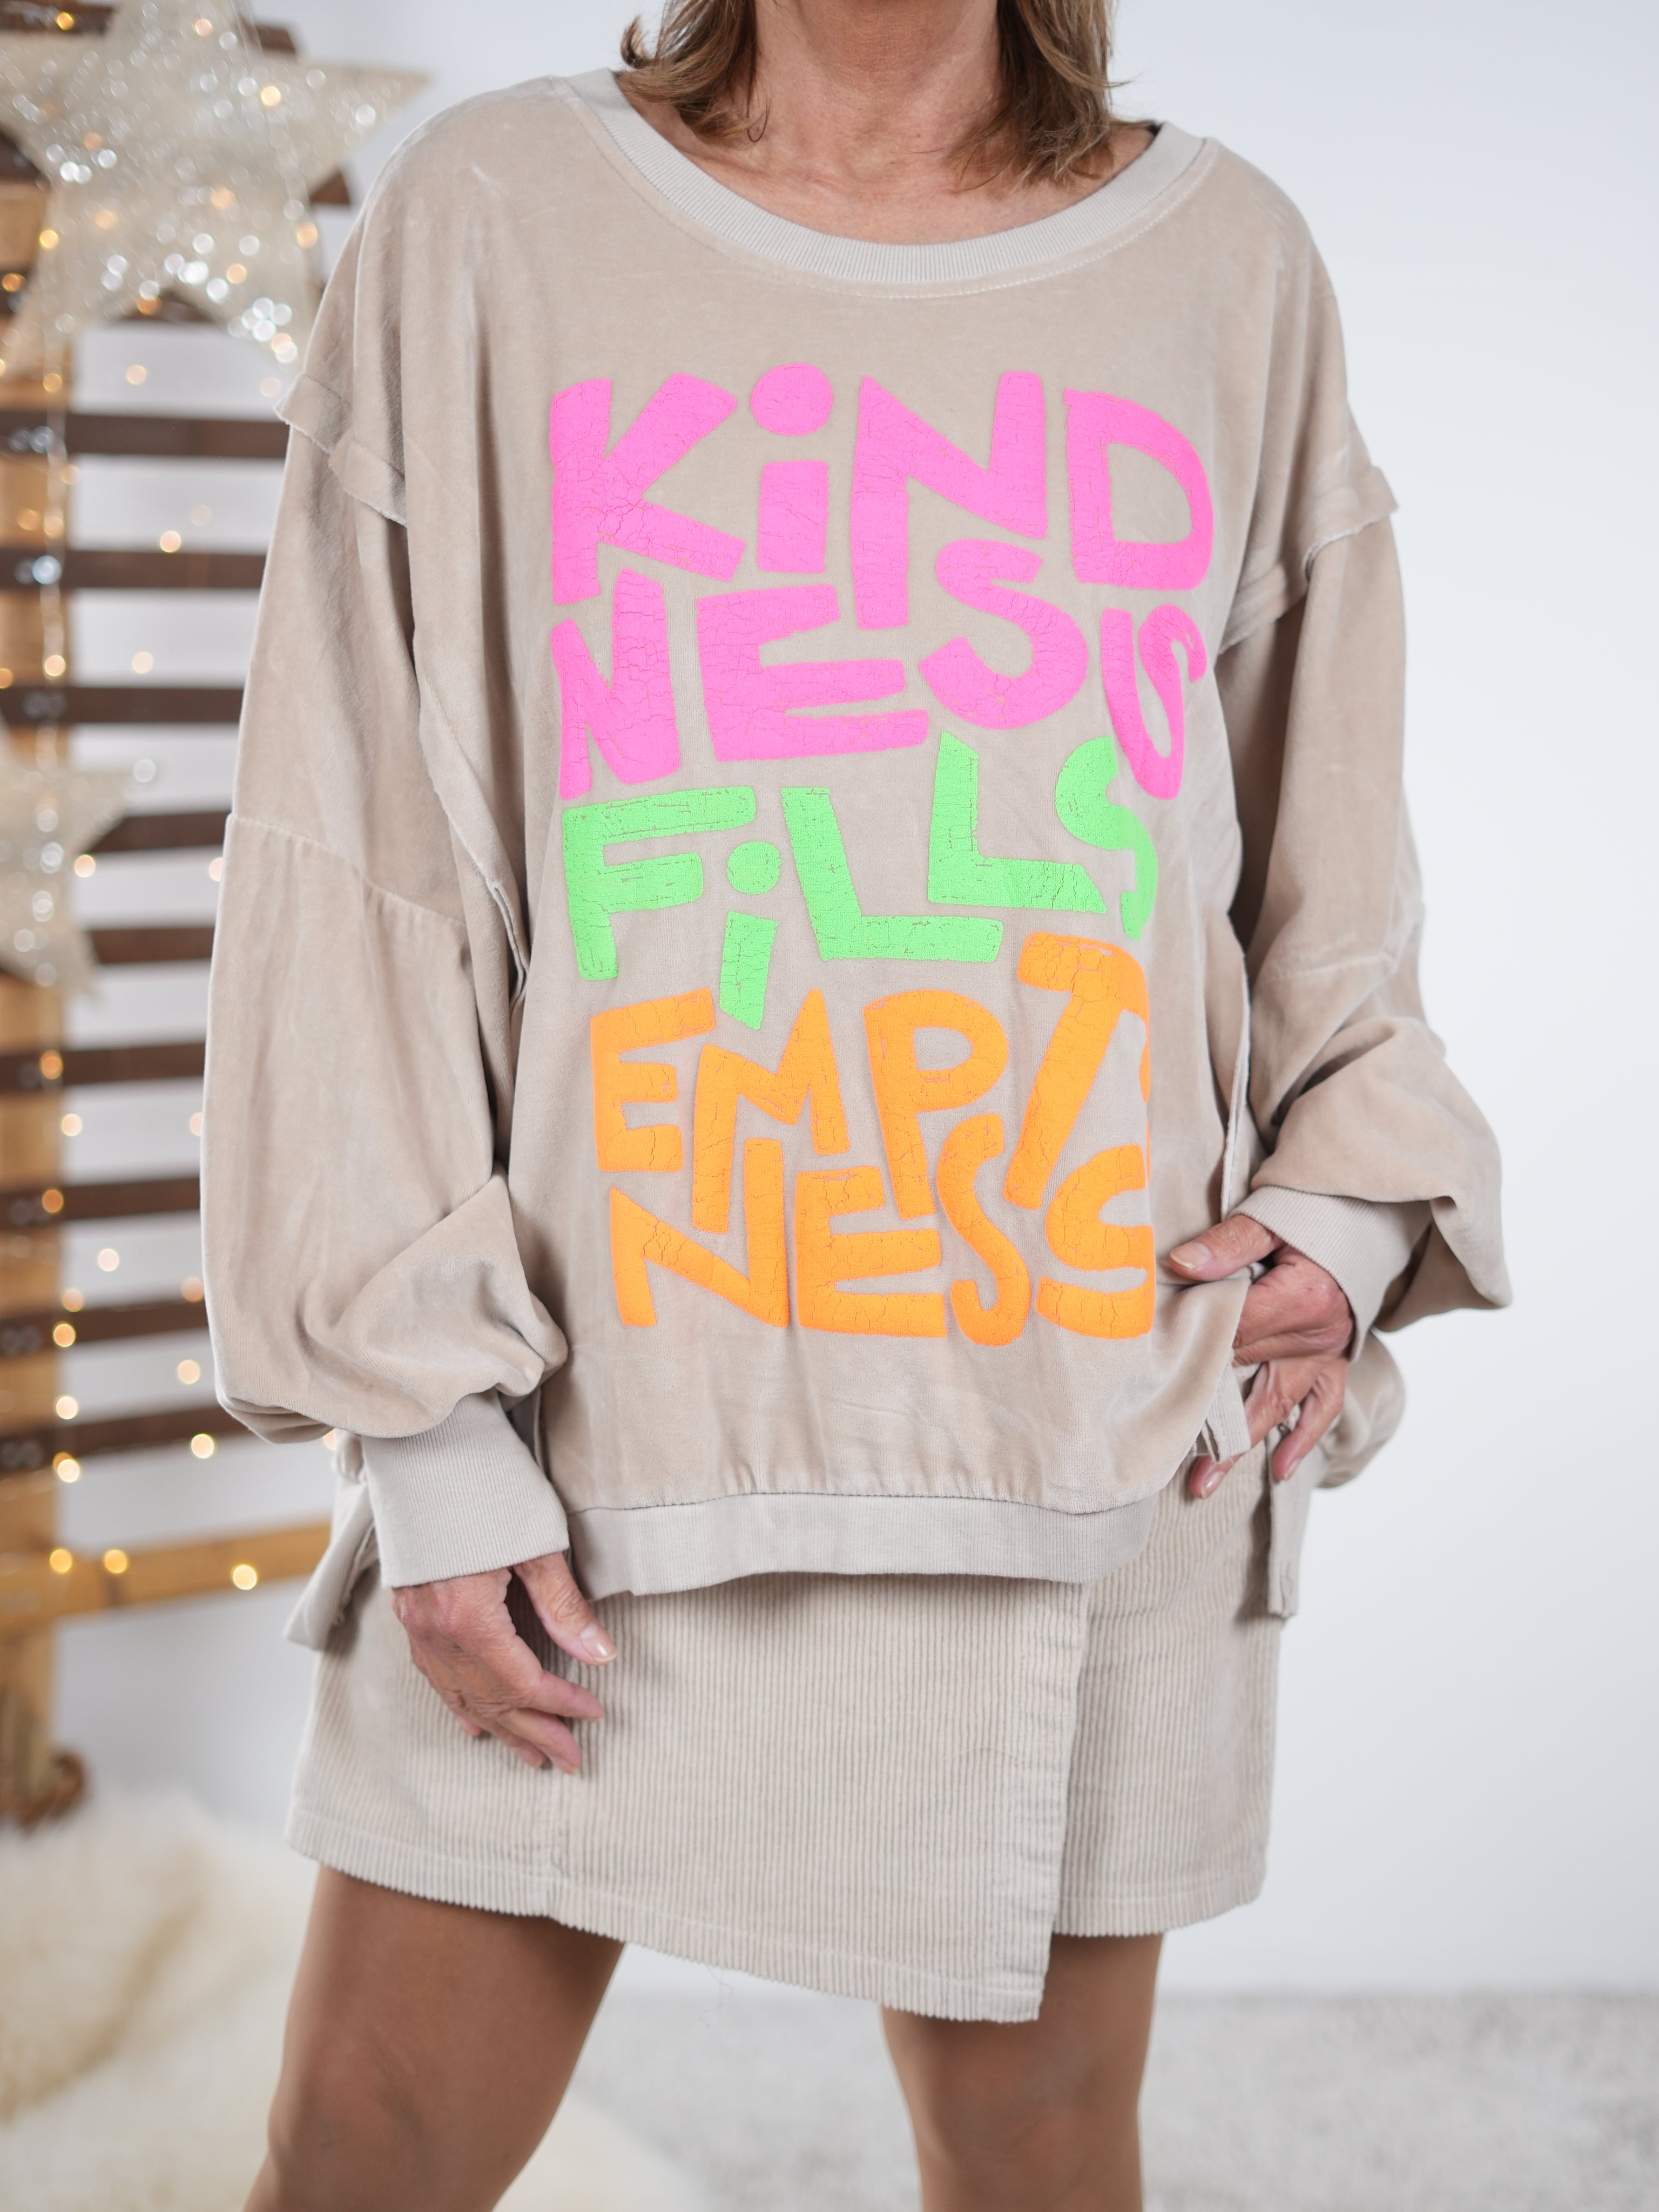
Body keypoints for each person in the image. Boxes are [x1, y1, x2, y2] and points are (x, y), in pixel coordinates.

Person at [205, 3, 1508, 2206]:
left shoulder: (1225, 263)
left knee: (1035, 2145)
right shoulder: (495, 218)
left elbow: (1325, 845)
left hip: (1086, 1413)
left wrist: (1355, 1207)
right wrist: (427, 1437)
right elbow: (354, 864)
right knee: (368, 2147)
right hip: (601, 1436)